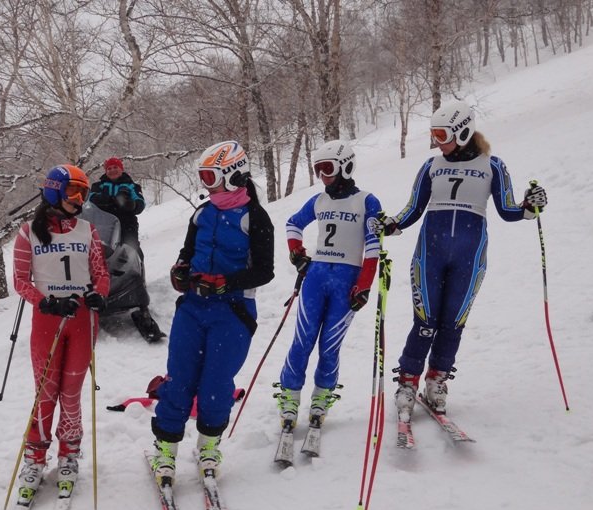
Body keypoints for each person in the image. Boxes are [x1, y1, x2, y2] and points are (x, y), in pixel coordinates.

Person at [375, 99, 548, 422]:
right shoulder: (431, 166)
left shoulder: (492, 165)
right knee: (425, 322)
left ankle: (437, 380)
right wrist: (391, 224)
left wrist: (531, 206)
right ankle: (407, 382)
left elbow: (509, 210)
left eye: (442, 135)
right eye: (434, 134)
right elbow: (412, 209)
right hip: (429, 256)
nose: (437, 142)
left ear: (463, 132)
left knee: (453, 323)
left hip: (470, 258)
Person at [149, 140, 274, 483]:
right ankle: (166, 449)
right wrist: (180, 270)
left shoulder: (255, 218)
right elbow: (187, 253)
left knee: (216, 385)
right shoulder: (202, 213)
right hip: (192, 308)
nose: (206, 185)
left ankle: (208, 446)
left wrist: (224, 283)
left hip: (232, 312)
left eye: (211, 177)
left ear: (233, 175)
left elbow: (265, 271)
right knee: (179, 378)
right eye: (203, 177)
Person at [12, 164, 110, 501]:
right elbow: (20, 281)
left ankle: (69, 452)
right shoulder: (29, 232)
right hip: (48, 320)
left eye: (83, 193)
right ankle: (35, 456)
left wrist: (100, 295)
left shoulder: (87, 230)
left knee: (71, 393)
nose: (79, 199)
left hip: (82, 320)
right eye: (72, 192)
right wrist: (46, 302)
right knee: (45, 392)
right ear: (54, 192)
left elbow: (101, 273)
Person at [274, 140, 382, 431]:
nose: (323, 176)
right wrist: (297, 254)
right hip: (317, 276)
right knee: (303, 340)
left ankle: (322, 395)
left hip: (347, 280)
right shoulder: (318, 200)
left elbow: (373, 246)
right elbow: (293, 224)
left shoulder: (367, 201)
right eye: (318, 169)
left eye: (328, 168)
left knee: (329, 346)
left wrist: (364, 284)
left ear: (346, 167)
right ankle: (289, 395)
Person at [86, 156, 164, 342]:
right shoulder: (98, 186)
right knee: (97, 254)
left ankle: (139, 287)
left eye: (115, 167)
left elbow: (140, 203)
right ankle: (97, 287)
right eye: (109, 168)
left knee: (133, 252)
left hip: (127, 224)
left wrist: (131, 203)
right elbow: (89, 202)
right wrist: (108, 200)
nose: (112, 170)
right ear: (105, 170)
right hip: (103, 225)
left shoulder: (131, 185)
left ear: (121, 169)